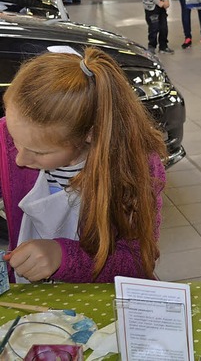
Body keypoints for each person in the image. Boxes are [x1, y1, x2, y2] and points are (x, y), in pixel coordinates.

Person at [0, 47, 167, 283]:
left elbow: (138, 262)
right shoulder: (12, 133)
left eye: (39, 152)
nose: (19, 159)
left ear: (89, 134)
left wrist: (62, 257)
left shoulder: (136, 166)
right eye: (15, 141)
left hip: (101, 300)